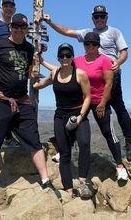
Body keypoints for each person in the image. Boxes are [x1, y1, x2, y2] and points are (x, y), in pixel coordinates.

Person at [0, 13, 59, 208]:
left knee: (33, 139)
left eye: (22, 27)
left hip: (22, 101)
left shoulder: (28, 48)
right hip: (0, 100)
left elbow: (28, 72)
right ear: (10, 28)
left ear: (26, 29)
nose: (19, 30)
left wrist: (40, 63)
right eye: (15, 26)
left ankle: (45, 180)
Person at [44, 5, 131, 161]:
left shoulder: (114, 32)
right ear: (92, 18)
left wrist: (118, 62)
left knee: (118, 108)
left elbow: (124, 52)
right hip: (89, 78)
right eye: (96, 16)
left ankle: (129, 143)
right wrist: (50, 22)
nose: (99, 19)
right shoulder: (87, 33)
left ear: (106, 17)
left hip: (109, 75)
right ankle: (66, 147)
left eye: (102, 16)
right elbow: (66, 31)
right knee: (79, 112)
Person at [33, 43, 92, 199]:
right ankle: (68, 188)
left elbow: (88, 97)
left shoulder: (80, 74)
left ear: (72, 57)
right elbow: (40, 85)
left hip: (79, 115)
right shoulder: (54, 73)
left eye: (68, 55)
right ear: (58, 57)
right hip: (60, 117)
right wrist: (32, 81)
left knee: (84, 144)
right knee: (64, 152)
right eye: (62, 55)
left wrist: (80, 117)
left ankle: (83, 182)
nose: (65, 58)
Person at [74, 32, 128, 182]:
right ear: (84, 45)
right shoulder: (76, 61)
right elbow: (62, 71)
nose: (90, 46)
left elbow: (109, 83)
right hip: (83, 101)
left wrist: (103, 103)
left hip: (99, 102)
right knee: (73, 126)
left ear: (99, 45)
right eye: (87, 43)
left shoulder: (105, 61)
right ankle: (63, 152)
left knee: (108, 133)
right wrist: (42, 61)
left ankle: (120, 166)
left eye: (94, 44)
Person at [0, 0, 20, 147]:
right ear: (1, 8)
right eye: (5, 5)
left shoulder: (17, 25)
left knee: (13, 104)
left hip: (14, 72)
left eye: (11, 6)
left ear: (14, 9)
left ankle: (8, 137)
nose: (8, 8)